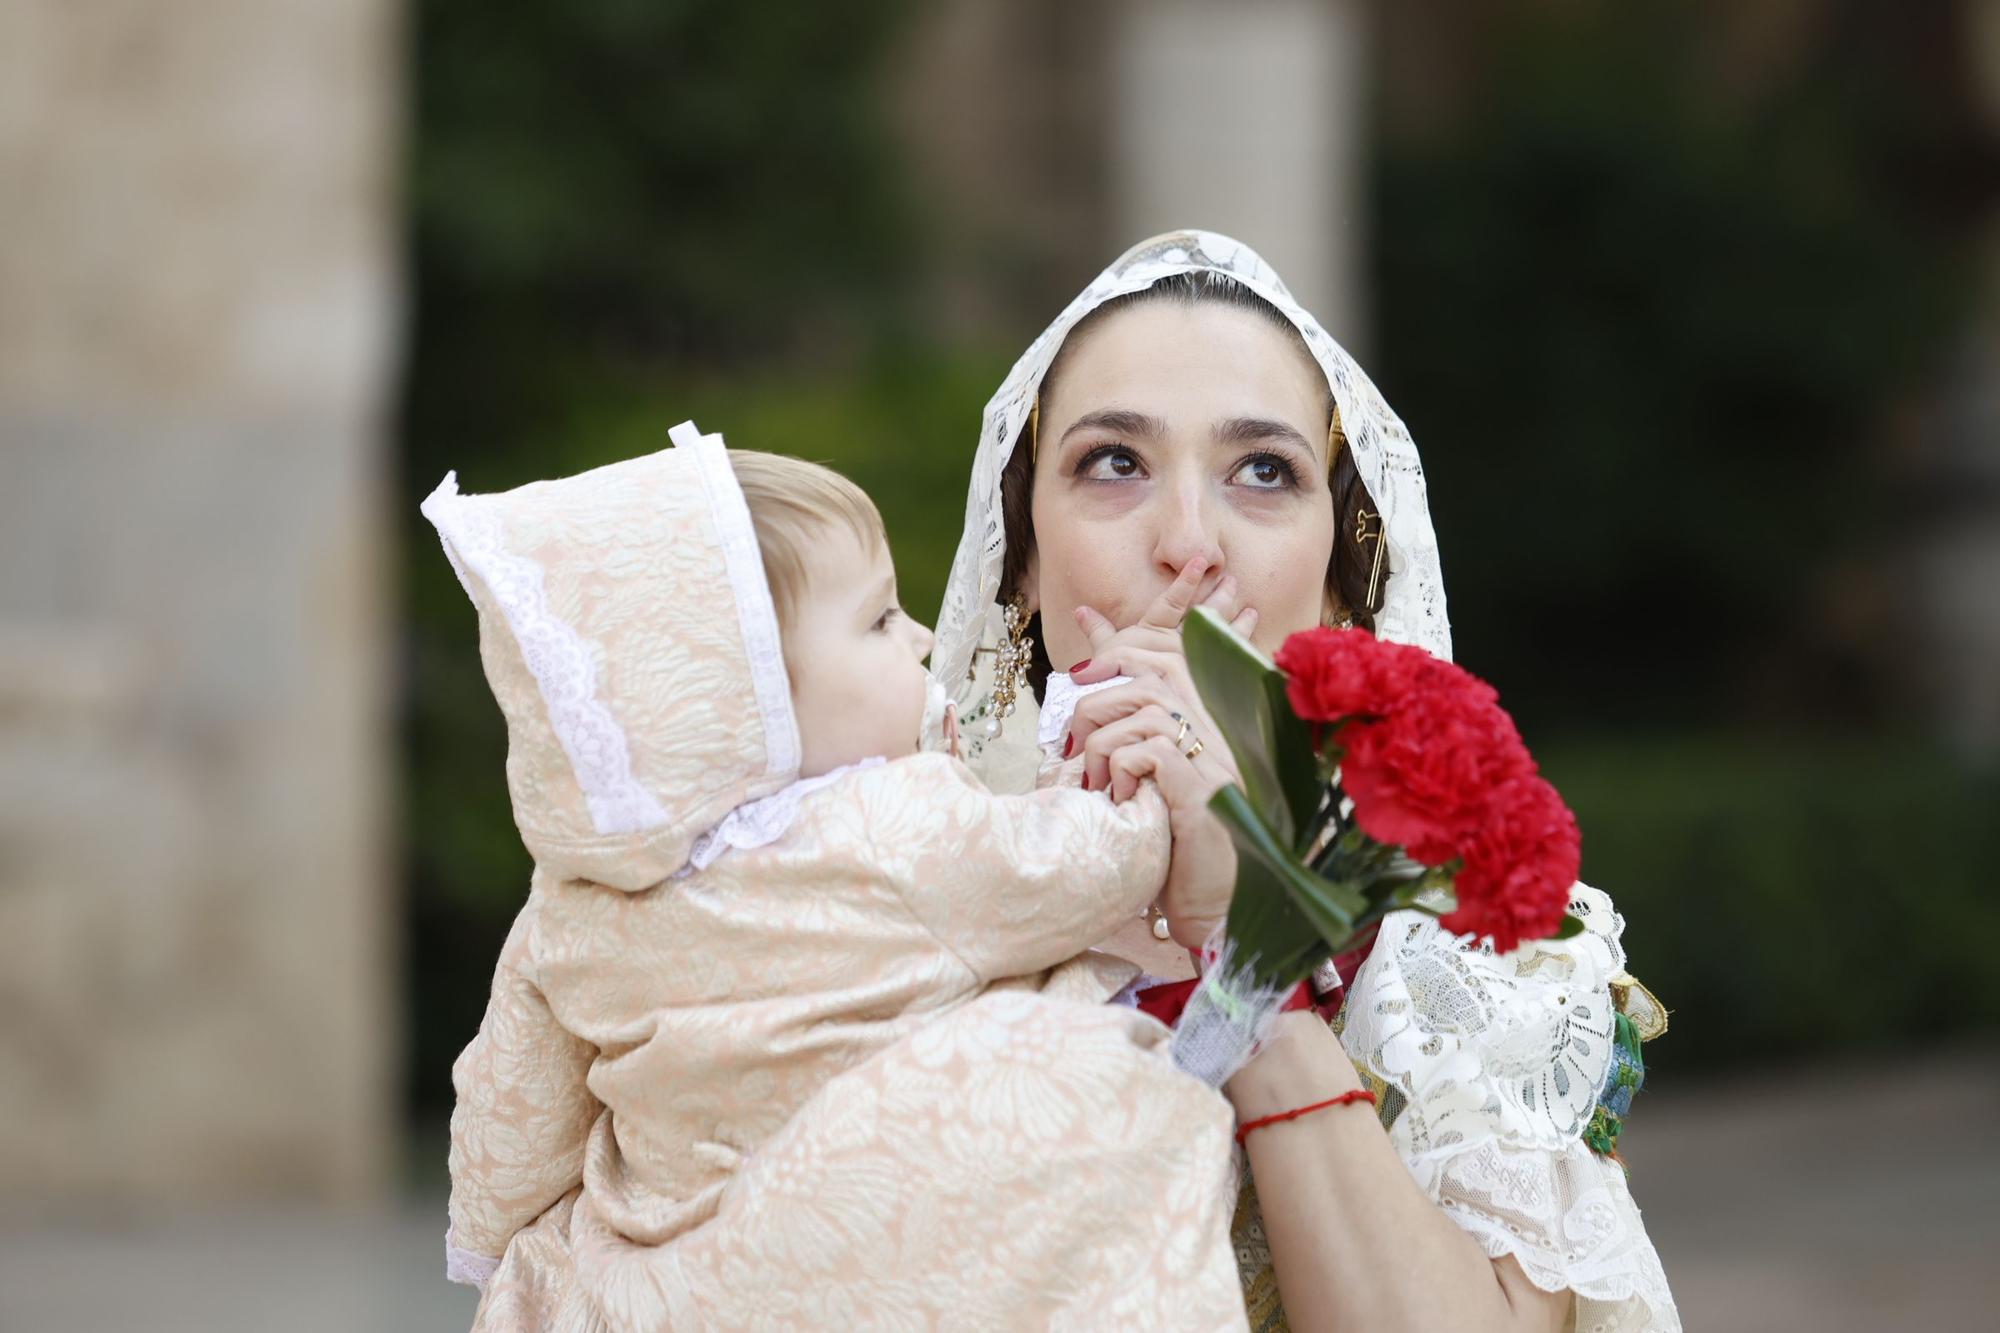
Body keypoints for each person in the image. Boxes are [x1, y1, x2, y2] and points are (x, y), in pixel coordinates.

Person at [927, 230, 1680, 1332]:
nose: (1189, 543)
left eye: (1263, 472)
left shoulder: (1462, 944)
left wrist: (1246, 957)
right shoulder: (893, 884)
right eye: (1113, 462)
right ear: (1022, 560)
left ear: (1338, 583)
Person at [428, 423, 1249, 1330]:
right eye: (879, 619)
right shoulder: (900, 826)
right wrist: (1151, 750)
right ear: (758, 707)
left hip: (670, 1278)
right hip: (875, 1248)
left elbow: (511, 1117)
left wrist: (492, 1239)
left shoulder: (567, 909)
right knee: (1106, 1095)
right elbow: (1082, 864)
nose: (924, 636)